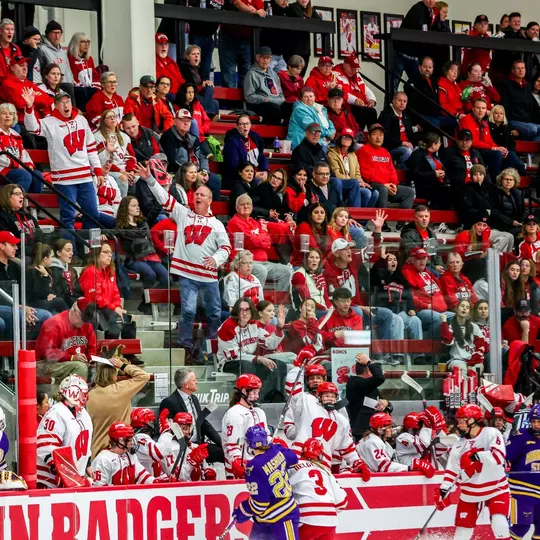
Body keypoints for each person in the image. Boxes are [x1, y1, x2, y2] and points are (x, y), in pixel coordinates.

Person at [137, 165, 231, 358]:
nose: (198, 196)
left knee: (214, 312)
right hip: (187, 274)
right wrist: (149, 180)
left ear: (210, 200)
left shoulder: (217, 224)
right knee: (188, 311)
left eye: (202, 195)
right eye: (196, 193)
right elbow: (165, 199)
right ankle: (185, 345)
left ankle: (212, 345)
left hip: (208, 277)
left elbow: (226, 248)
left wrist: (215, 259)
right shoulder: (183, 213)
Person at [23, 89, 103, 232]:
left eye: (68, 102)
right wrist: (30, 107)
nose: (66, 105)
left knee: (92, 215)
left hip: (85, 177)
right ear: (56, 106)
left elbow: (90, 147)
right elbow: (32, 128)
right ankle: (69, 250)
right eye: (61, 103)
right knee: (68, 217)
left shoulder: (81, 120)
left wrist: (97, 170)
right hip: (64, 179)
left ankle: (89, 249)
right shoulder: (49, 122)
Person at [435, 404, 511, 540]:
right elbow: (452, 472)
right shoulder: (458, 445)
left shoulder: (491, 433)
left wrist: (476, 456)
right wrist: (444, 490)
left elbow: (499, 456)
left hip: (496, 488)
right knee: (461, 534)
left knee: (500, 524)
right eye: (458, 421)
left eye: (462, 421)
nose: (459, 424)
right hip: (470, 493)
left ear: (473, 420)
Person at [288, 379, 371, 475]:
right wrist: (297, 369)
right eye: (326, 396)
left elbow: (347, 447)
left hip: (323, 463)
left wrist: (358, 463)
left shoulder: (341, 420)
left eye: (333, 396)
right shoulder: (308, 405)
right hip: (299, 458)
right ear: (319, 397)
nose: (330, 398)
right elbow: (294, 393)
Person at [231, 425, 300, 538]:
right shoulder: (276, 450)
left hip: (281, 518)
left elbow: (260, 504)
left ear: (249, 444)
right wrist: (277, 447)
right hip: (280, 516)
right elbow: (293, 458)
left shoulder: (252, 467)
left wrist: (243, 511)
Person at [216, 297, 288, 399]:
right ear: (236, 311)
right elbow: (233, 355)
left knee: (278, 365)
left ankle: (272, 398)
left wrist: (279, 328)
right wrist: (257, 358)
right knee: (247, 365)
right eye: (241, 310)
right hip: (228, 363)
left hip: (250, 360)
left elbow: (269, 343)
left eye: (247, 310)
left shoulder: (253, 324)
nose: (244, 313)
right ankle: (253, 398)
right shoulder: (227, 326)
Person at [86, 347, 149, 458]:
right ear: (114, 375)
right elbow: (144, 376)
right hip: (119, 449)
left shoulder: (90, 395)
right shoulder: (121, 389)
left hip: (96, 450)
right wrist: (123, 366)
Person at [36, 375, 93, 488]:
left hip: (75, 479)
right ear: (73, 392)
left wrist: (88, 464)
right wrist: (67, 476)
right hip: (52, 481)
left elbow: (83, 444)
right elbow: (45, 447)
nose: (86, 396)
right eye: (83, 392)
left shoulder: (83, 413)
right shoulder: (56, 413)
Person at [227, 194, 293, 289]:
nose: (246, 206)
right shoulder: (235, 222)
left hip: (263, 262)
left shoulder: (254, 222)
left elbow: (267, 241)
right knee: (261, 271)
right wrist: (258, 238)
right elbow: (251, 240)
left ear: (252, 207)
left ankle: (279, 301)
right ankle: (257, 300)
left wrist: (257, 238)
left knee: (286, 271)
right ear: (237, 208)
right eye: (242, 204)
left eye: (248, 204)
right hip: (244, 263)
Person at [159, 367, 224, 464]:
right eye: (194, 380)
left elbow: (203, 423)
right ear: (186, 384)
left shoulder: (194, 398)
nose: (197, 382)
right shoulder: (169, 402)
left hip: (199, 444)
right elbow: (167, 430)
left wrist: (222, 443)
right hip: (183, 447)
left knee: (226, 452)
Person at [288, 438, 348, 540]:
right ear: (320, 455)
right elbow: (342, 502)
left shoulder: (292, 466)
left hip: (306, 518)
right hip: (330, 521)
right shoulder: (325, 470)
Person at [79, 242, 137, 340]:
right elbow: (96, 298)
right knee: (116, 320)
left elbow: (115, 294)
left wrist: (118, 307)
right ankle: (109, 352)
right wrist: (115, 309)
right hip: (95, 308)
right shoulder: (91, 271)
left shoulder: (110, 271)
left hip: (108, 309)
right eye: (105, 252)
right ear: (96, 254)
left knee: (130, 320)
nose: (110, 255)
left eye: (110, 252)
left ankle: (129, 354)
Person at [0, 230, 50, 340]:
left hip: (19, 307)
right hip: (6, 307)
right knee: (14, 315)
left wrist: (25, 306)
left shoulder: (15, 267)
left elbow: (26, 292)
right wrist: (19, 308)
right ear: (2, 246)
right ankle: (13, 355)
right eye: (12, 245)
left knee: (47, 316)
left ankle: (33, 352)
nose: (16, 248)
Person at [160, 108, 220, 199]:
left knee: (215, 180)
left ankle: (210, 210)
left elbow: (202, 156)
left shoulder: (193, 138)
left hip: (195, 171)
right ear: (175, 121)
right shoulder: (168, 137)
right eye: (182, 120)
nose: (186, 123)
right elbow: (172, 163)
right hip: (178, 173)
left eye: (188, 121)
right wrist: (194, 173)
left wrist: (204, 171)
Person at [370, 251, 424, 350]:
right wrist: (381, 260)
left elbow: (408, 295)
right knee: (398, 320)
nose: (393, 262)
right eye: (389, 260)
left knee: (415, 320)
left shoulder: (401, 278)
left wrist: (411, 308)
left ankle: (418, 353)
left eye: (395, 260)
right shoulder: (379, 276)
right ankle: (397, 353)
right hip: (384, 313)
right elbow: (373, 274)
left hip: (399, 312)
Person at [34, 297, 95, 382]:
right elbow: (48, 353)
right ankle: (73, 395)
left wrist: (91, 359)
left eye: (86, 320)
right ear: (74, 311)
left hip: (72, 364)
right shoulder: (54, 323)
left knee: (103, 368)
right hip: (44, 364)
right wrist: (72, 357)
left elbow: (92, 349)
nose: (84, 322)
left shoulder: (87, 326)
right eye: (83, 319)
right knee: (80, 367)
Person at [458, 163, 516, 252]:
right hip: (473, 226)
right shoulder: (467, 189)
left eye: (480, 174)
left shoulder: (487, 189)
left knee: (510, 237)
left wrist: (509, 221)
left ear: (484, 176)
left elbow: (492, 209)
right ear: (471, 176)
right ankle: (490, 260)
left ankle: (502, 261)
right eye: (475, 174)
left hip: (487, 225)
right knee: (504, 238)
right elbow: (466, 210)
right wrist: (484, 212)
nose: (478, 177)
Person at [115, 196, 169, 291]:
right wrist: (104, 235)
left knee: (167, 279)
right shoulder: (122, 227)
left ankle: (148, 300)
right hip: (135, 259)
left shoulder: (143, 223)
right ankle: (147, 300)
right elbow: (113, 233)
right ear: (126, 209)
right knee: (150, 274)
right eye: (133, 205)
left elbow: (142, 233)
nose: (137, 208)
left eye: (138, 205)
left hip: (151, 257)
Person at [356, 412, 435, 476]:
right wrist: (410, 467)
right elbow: (384, 467)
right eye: (388, 427)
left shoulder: (379, 441)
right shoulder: (373, 442)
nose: (391, 429)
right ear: (380, 429)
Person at [357, 123, 415, 209]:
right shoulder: (363, 150)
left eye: (381, 134)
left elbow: (392, 170)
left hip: (388, 186)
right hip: (371, 185)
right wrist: (384, 184)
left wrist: (393, 184)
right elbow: (366, 174)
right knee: (382, 189)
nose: (378, 137)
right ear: (368, 137)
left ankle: (402, 222)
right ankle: (382, 220)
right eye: (374, 134)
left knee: (409, 191)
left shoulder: (385, 152)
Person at [401, 247, 455, 337]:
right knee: (439, 318)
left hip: (440, 310)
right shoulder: (407, 272)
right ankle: (429, 346)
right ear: (412, 259)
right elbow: (409, 295)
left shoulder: (428, 272)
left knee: (456, 317)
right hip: (422, 310)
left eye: (424, 258)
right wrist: (427, 306)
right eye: (419, 259)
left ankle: (450, 346)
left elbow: (439, 291)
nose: (422, 261)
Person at [221, 374, 268, 478]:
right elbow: (232, 445)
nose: (257, 396)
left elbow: (267, 438)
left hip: (259, 466)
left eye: (258, 392)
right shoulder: (234, 413)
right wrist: (238, 462)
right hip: (239, 471)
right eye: (254, 392)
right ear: (243, 391)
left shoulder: (260, 412)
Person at [506, 405, 540, 540]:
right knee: (522, 526)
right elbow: (506, 457)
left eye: (539, 421)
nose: (536, 425)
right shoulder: (520, 436)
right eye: (533, 421)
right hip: (522, 489)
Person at [392, 0, 438, 94]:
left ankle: (412, 105)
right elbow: (419, 30)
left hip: (414, 54)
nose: (430, 1)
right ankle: (390, 106)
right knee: (393, 84)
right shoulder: (418, 9)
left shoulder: (432, 12)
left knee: (418, 83)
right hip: (402, 52)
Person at [91, 422, 158, 485]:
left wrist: (155, 482)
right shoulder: (103, 460)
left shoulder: (130, 454)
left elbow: (141, 475)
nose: (132, 443)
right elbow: (99, 488)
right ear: (121, 440)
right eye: (130, 439)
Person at [327, 128, 379, 209]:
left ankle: (361, 221)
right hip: (341, 183)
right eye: (345, 137)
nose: (347, 139)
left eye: (349, 138)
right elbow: (336, 173)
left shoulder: (353, 155)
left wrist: (362, 183)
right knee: (366, 193)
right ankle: (353, 215)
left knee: (375, 193)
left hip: (354, 183)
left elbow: (357, 174)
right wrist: (355, 182)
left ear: (352, 141)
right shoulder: (332, 153)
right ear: (340, 139)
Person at [218, 0, 265, 89]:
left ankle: (243, 102)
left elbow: (261, 12)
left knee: (246, 75)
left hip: (247, 40)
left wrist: (255, 11)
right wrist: (253, 11)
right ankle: (229, 102)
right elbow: (238, 4)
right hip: (229, 38)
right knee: (229, 75)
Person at [157, 412, 215, 480]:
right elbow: (175, 476)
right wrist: (191, 464)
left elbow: (202, 470)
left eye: (189, 428)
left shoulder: (194, 447)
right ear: (175, 428)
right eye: (184, 428)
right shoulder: (169, 449)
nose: (187, 432)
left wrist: (206, 472)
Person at [0, 102, 43, 193]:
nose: (8, 116)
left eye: (11, 114)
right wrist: (18, 165)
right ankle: (17, 205)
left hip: (15, 170)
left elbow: (23, 154)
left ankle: (32, 206)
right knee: (24, 175)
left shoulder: (15, 135)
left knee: (37, 175)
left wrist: (28, 165)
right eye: (4, 113)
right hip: (2, 170)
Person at [459, 98, 507, 178]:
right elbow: (472, 142)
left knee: (509, 155)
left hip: (483, 150)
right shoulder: (466, 120)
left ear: (486, 111)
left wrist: (500, 148)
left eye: (483, 108)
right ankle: (495, 182)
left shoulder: (484, 123)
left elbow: (489, 140)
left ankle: (509, 180)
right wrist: (494, 149)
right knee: (497, 154)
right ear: (473, 109)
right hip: (471, 150)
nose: (481, 110)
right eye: (478, 108)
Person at [346, 353, 388, 442]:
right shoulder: (355, 383)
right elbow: (380, 378)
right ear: (369, 371)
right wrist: (369, 362)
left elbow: (388, 407)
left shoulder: (371, 387)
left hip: (376, 433)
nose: (382, 373)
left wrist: (386, 403)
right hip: (362, 436)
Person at [94, 109, 137, 198]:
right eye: (109, 117)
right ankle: (123, 206)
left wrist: (131, 171)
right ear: (103, 121)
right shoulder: (97, 137)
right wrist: (122, 172)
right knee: (123, 178)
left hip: (125, 170)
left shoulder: (124, 136)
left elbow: (130, 157)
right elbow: (102, 161)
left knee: (144, 177)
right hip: (108, 171)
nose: (112, 119)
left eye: (114, 116)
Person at [0, 55, 52, 124]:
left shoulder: (29, 83)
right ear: (12, 68)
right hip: (21, 122)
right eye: (21, 65)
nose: (25, 68)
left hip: (38, 122)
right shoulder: (8, 84)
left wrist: (31, 98)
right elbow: (21, 103)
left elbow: (46, 99)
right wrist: (35, 97)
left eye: (26, 66)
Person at [222, 114, 269, 189]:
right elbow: (233, 165)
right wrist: (253, 174)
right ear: (237, 126)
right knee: (262, 187)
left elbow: (261, 156)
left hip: (255, 174)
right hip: (238, 178)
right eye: (242, 124)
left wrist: (265, 171)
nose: (245, 126)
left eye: (247, 123)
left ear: (250, 125)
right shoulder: (232, 141)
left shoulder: (255, 139)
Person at [405, 133, 451, 209]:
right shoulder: (418, 154)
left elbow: (444, 170)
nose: (440, 144)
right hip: (424, 187)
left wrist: (444, 176)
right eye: (439, 142)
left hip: (439, 185)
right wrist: (434, 174)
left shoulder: (435, 156)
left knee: (453, 191)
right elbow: (415, 174)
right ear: (433, 144)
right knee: (446, 192)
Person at [333, 52, 378, 130]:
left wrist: (371, 99)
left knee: (372, 111)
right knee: (365, 112)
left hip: (360, 106)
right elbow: (341, 92)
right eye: (352, 68)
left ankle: (374, 135)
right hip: (347, 106)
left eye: (356, 69)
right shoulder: (335, 74)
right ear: (345, 65)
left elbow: (365, 88)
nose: (355, 71)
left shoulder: (356, 74)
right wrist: (355, 100)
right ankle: (360, 134)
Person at [440, 300, 488, 372]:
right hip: (457, 360)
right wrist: (444, 322)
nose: (464, 308)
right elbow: (448, 341)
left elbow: (480, 348)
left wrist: (470, 364)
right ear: (456, 309)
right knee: (461, 370)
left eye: (467, 307)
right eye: (462, 306)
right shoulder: (451, 327)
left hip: (474, 361)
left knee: (477, 370)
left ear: (469, 312)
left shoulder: (474, 327)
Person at [244, 46, 286, 125]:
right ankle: (271, 136)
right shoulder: (251, 74)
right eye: (263, 58)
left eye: (268, 58)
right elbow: (249, 97)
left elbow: (281, 95)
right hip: (258, 104)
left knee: (292, 108)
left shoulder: (274, 74)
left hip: (274, 102)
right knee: (274, 109)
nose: (265, 60)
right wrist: (265, 99)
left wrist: (275, 100)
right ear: (257, 58)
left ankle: (290, 136)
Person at [500, 60, 540, 142]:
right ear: (513, 71)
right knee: (533, 129)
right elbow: (504, 106)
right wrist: (509, 126)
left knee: (536, 129)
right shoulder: (506, 84)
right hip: (513, 121)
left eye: (523, 68)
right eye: (518, 68)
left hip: (526, 122)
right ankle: (525, 152)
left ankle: (529, 153)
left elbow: (531, 107)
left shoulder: (527, 85)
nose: (521, 70)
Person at [377, 91, 417, 170]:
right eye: (400, 100)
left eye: (404, 101)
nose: (402, 103)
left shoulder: (406, 117)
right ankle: (404, 172)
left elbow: (411, 135)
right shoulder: (386, 115)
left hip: (406, 145)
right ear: (393, 101)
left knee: (420, 150)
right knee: (407, 151)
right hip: (392, 147)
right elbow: (385, 138)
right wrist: (402, 142)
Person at [26, 242, 70, 314]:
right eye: (52, 257)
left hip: (43, 302)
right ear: (45, 259)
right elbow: (39, 293)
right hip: (32, 303)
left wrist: (51, 294)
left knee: (57, 307)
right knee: (59, 301)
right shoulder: (32, 272)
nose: (53, 259)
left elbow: (50, 290)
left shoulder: (48, 270)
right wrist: (45, 276)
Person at [178, 44, 219, 117]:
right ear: (187, 57)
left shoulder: (200, 69)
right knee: (214, 103)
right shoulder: (183, 68)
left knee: (210, 89)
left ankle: (206, 114)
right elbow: (187, 86)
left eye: (198, 54)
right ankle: (206, 115)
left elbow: (203, 82)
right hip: (190, 94)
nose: (196, 56)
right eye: (193, 54)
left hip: (200, 95)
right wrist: (201, 86)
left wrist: (207, 82)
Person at [487, 104, 526, 175]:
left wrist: (507, 152)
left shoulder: (507, 127)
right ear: (492, 114)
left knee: (513, 157)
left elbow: (512, 143)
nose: (499, 115)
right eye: (496, 113)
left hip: (507, 153)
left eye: (501, 113)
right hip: (493, 152)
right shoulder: (487, 126)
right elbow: (488, 142)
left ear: (504, 115)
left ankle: (524, 175)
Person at [291, 248, 331, 314]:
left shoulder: (320, 275)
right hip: (308, 310)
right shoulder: (299, 275)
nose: (314, 260)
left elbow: (325, 297)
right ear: (306, 260)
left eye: (317, 258)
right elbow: (306, 299)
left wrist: (331, 308)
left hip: (323, 309)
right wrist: (325, 309)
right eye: (311, 257)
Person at [406, 56, 442, 130]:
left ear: (433, 69)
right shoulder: (414, 82)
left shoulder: (434, 81)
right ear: (419, 67)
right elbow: (412, 105)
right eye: (425, 67)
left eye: (430, 67)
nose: (427, 69)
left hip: (436, 116)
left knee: (455, 121)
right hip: (422, 117)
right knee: (437, 124)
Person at [176, 82, 211, 155]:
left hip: (200, 138)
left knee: (207, 155)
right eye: (188, 92)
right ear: (183, 93)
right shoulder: (177, 107)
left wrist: (200, 129)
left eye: (192, 92)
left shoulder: (198, 105)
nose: (191, 95)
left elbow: (207, 121)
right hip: (184, 138)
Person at [490, 12, 528, 80]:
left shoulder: (522, 35)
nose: (517, 23)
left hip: (514, 70)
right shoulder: (502, 33)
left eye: (518, 21)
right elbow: (491, 41)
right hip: (500, 69)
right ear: (509, 23)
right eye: (514, 21)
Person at [67, 31, 100, 109]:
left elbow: (95, 76)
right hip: (79, 91)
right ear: (75, 43)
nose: (86, 44)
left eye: (87, 42)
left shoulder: (89, 59)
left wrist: (95, 87)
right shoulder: (70, 58)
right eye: (82, 42)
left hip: (90, 89)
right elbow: (72, 77)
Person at [47, 239, 82, 308]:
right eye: (68, 250)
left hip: (72, 301)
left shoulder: (72, 270)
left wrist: (80, 297)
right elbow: (57, 292)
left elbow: (77, 289)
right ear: (58, 253)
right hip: (61, 304)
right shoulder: (52, 270)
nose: (71, 253)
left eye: (72, 250)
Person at [491, 168, 525, 237]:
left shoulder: (518, 193)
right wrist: (511, 222)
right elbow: (494, 212)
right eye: (506, 179)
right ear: (501, 180)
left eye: (511, 180)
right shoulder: (494, 193)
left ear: (514, 181)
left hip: (516, 225)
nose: (508, 181)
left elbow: (523, 211)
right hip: (500, 226)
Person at [130, 408, 166, 476]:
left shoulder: (134, 438)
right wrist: (166, 430)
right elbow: (160, 453)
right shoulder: (141, 438)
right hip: (142, 482)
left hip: (145, 478)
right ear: (150, 423)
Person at [0, 18, 20, 83]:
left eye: (12, 29)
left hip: (13, 83)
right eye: (7, 29)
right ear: (0, 31)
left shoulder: (16, 48)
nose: (10, 32)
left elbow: (20, 65)